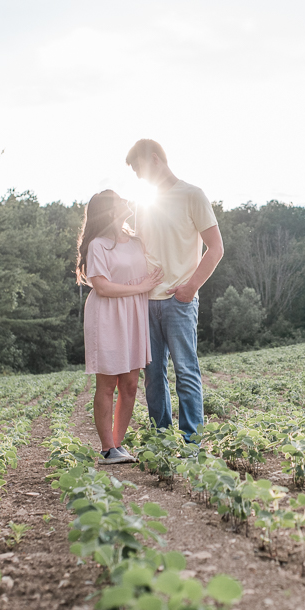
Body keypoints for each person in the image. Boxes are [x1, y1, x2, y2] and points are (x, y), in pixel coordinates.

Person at [125, 139, 224, 441]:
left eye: (140, 170)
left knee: (185, 372)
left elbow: (216, 248)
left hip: (179, 302)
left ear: (155, 159)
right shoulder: (144, 204)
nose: (140, 179)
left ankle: (192, 442)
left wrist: (191, 288)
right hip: (147, 302)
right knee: (153, 377)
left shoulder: (192, 195)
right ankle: (162, 441)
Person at [76, 189, 163, 464]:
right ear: (110, 210)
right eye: (119, 200)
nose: (126, 200)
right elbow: (100, 285)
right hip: (108, 314)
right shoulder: (98, 245)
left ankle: (117, 444)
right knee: (107, 383)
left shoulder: (137, 241)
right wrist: (142, 287)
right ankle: (106, 448)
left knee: (130, 384)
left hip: (134, 313)